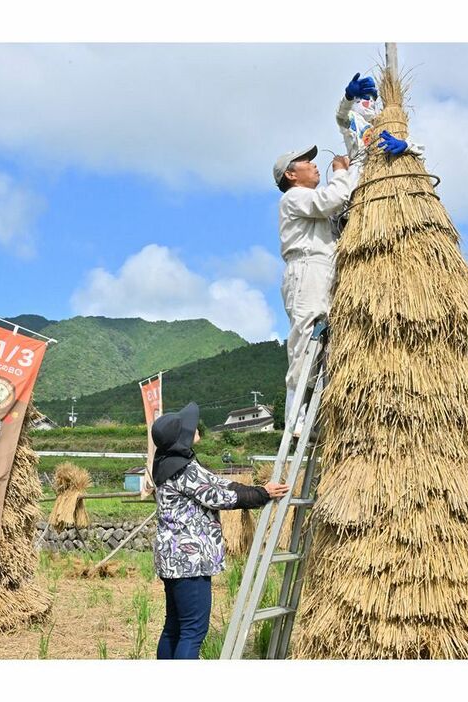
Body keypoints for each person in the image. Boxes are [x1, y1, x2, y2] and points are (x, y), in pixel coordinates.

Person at [151, 402, 289, 659]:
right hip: (190, 561)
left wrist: (254, 489)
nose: (194, 427)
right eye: (188, 427)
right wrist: (263, 494)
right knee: (193, 631)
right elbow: (220, 496)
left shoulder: (169, 464)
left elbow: (218, 482)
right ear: (181, 438)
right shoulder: (185, 471)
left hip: (172, 559)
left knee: (174, 627)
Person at [273, 142, 356, 435]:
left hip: (324, 269)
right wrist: (341, 173)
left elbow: (337, 212)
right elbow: (330, 201)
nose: (314, 164)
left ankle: (317, 414)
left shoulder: (309, 199)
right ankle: (296, 416)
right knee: (305, 336)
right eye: (307, 162)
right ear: (291, 175)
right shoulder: (295, 197)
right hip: (306, 269)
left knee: (325, 346)